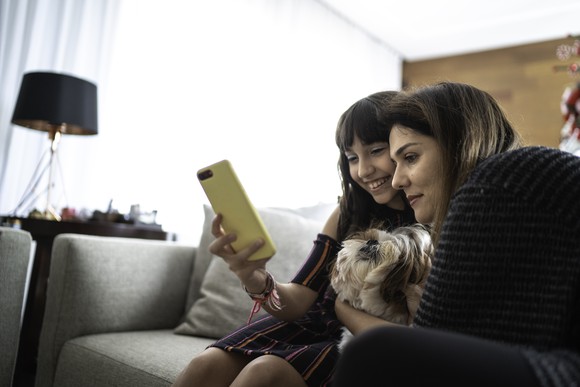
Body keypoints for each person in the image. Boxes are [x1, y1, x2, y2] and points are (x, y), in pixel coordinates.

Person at [334, 81, 580, 386]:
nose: (396, 180)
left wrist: (342, 308)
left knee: (373, 356)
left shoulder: (494, 184)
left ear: (458, 143)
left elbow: (425, 347)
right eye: (395, 163)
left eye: (410, 158)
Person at [172, 91, 416, 387]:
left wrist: (344, 310)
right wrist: (256, 279)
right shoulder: (348, 211)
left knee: (264, 373)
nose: (362, 170)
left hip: (353, 338)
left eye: (376, 150)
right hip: (310, 324)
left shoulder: (427, 218)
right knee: (204, 364)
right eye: (352, 157)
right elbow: (298, 300)